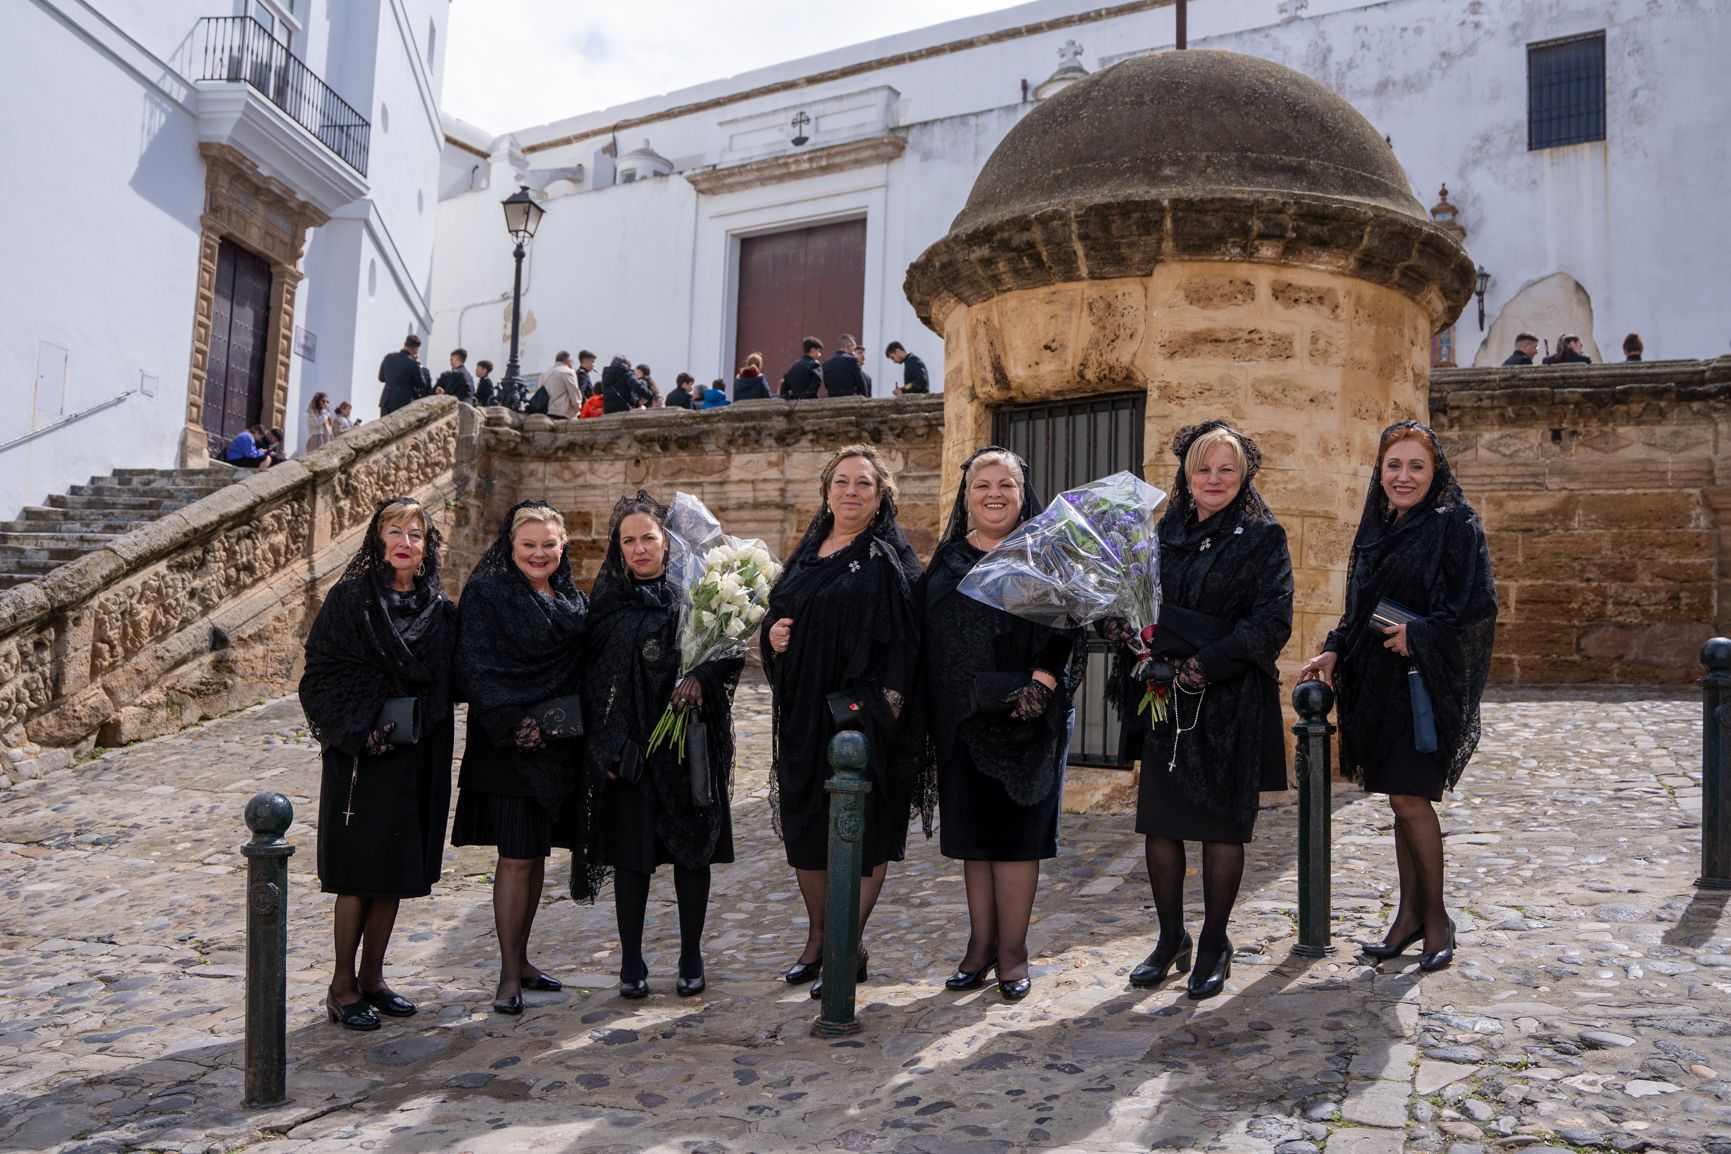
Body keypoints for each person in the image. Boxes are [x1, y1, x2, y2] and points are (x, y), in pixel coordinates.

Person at [1298, 421, 1497, 974]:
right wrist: (1333, 650)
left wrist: (1421, 634)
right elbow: (1358, 609)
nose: (1403, 476)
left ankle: (1437, 920)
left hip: (1422, 686)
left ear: (1435, 473)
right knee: (1399, 802)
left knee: (1412, 800)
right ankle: (1410, 917)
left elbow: (1477, 606)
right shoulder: (1378, 527)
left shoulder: (1456, 524)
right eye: (1394, 465)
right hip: (1377, 687)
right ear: (1380, 471)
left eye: (1416, 466)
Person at [1105, 423, 1293, 1000]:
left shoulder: (1263, 537)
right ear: (1186, 477)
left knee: (1220, 829)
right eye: (1203, 469)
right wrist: (1123, 628)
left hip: (1228, 699)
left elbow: (1271, 623)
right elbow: (1141, 608)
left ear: (1243, 475)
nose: (1214, 479)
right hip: (1165, 700)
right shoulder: (1162, 535)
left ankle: (1214, 943)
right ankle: (1171, 939)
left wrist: (1200, 664)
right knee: (1161, 824)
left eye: (1225, 469)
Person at [920, 448, 1084, 1002]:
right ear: (967, 496)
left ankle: (1013, 954)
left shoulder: (1045, 552)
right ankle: (980, 947)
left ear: (1021, 492)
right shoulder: (947, 561)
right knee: (975, 839)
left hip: (1026, 715)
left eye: (1006, 485)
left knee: (1016, 840)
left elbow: (1068, 625)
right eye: (982, 484)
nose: (994, 493)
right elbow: (927, 634)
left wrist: (1043, 681)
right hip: (961, 719)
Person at [761, 445, 925, 999]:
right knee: (806, 827)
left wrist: (877, 709)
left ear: (881, 498)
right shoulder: (807, 553)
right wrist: (773, 636)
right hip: (803, 714)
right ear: (827, 492)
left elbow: (909, 642)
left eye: (864, 484)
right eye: (841, 482)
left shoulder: (888, 558)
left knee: (863, 832)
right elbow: (779, 613)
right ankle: (820, 939)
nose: (851, 491)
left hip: (863, 720)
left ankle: (844, 944)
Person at [299, 497, 457, 1031]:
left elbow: (451, 677)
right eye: (395, 531)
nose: (405, 542)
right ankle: (341, 986)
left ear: (427, 546)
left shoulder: (439, 609)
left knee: (394, 873)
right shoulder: (352, 600)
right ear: (378, 539)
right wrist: (361, 730)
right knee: (359, 874)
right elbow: (321, 673)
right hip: (362, 756)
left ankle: (372, 978)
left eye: (416, 534)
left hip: (417, 752)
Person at [581, 492, 743, 999]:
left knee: (692, 856)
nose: (639, 548)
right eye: (628, 541)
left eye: (648, 538)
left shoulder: (697, 594)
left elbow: (729, 653)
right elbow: (591, 681)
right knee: (632, 860)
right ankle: (631, 961)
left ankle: (691, 954)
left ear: (666, 542)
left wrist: (700, 677)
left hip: (687, 743)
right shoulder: (608, 605)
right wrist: (604, 747)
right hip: (630, 749)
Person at [451, 501, 598, 1015]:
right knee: (514, 859)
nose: (539, 553)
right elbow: (473, 665)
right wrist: (515, 723)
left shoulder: (572, 598)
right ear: (509, 546)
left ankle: (525, 958)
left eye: (548, 544)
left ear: (563, 546)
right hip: (507, 745)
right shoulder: (487, 592)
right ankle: (508, 974)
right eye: (528, 544)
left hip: (557, 747)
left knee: (535, 856)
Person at [379, 335, 428, 416]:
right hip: (402, 404)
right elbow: (422, 384)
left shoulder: (388, 357)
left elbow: (381, 378)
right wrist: (418, 363)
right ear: (416, 349)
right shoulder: (413, 363)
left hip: (386, 402)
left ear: (405, 344)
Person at [539, 351, 584, 419]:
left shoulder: (543, 373)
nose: (572, 364)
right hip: (562, 413)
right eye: (572, 361)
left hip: (545, 412)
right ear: (568, 360)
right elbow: (574, 395)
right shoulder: (568, 372)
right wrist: (578, 408)